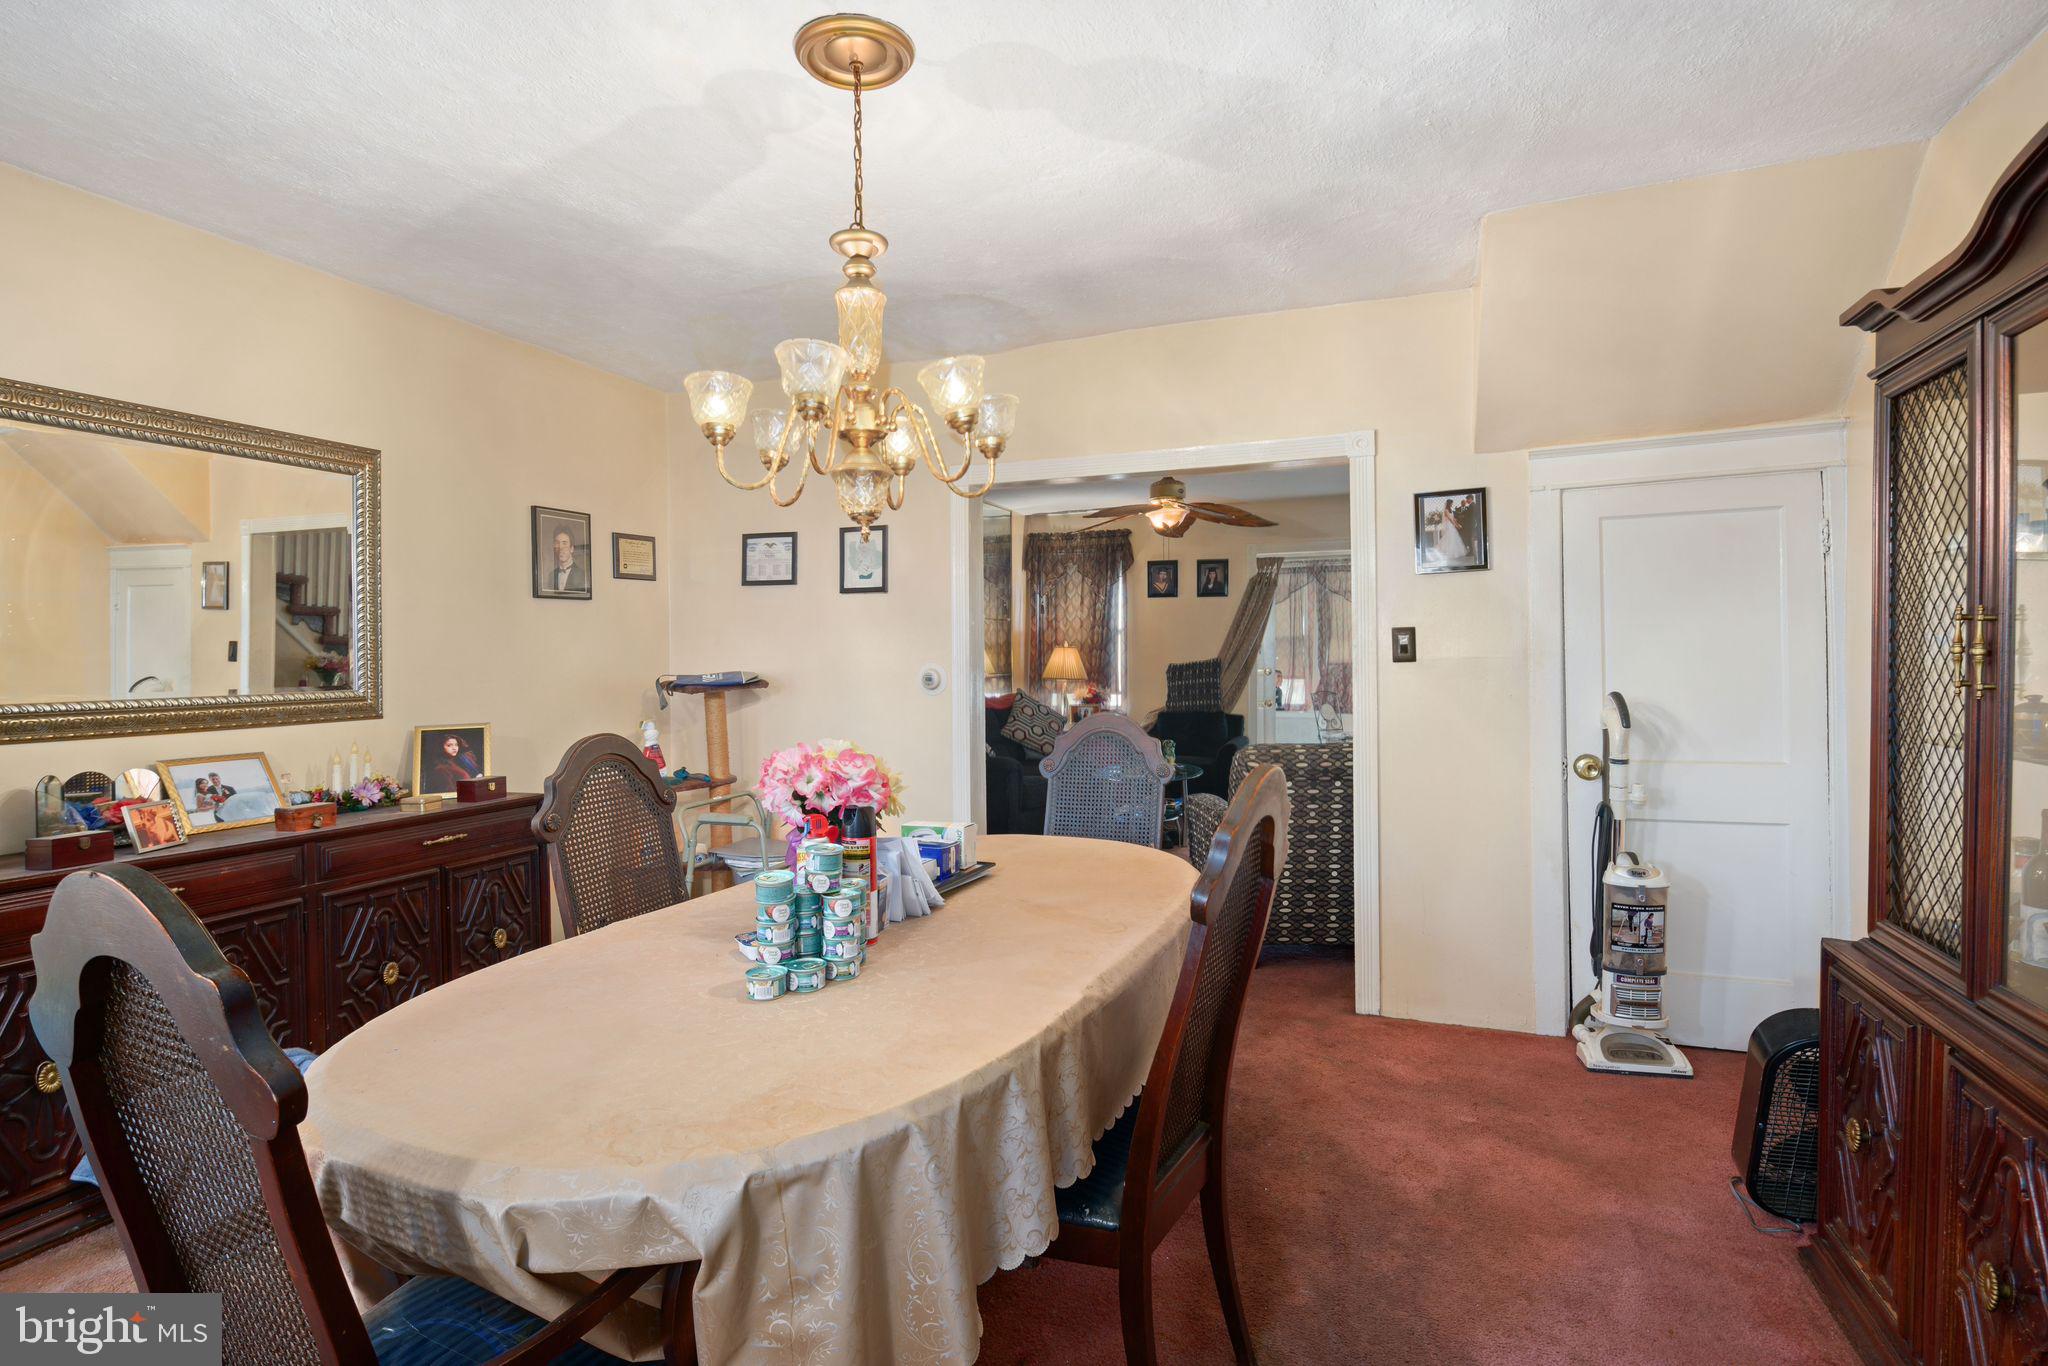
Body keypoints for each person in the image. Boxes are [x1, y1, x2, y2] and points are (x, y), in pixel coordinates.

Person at [545, 528, 587, 594]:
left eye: (564, 543)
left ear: (572, 549)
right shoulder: (551, 575)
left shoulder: (582, 575)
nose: (560, 547)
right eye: (557, 543)